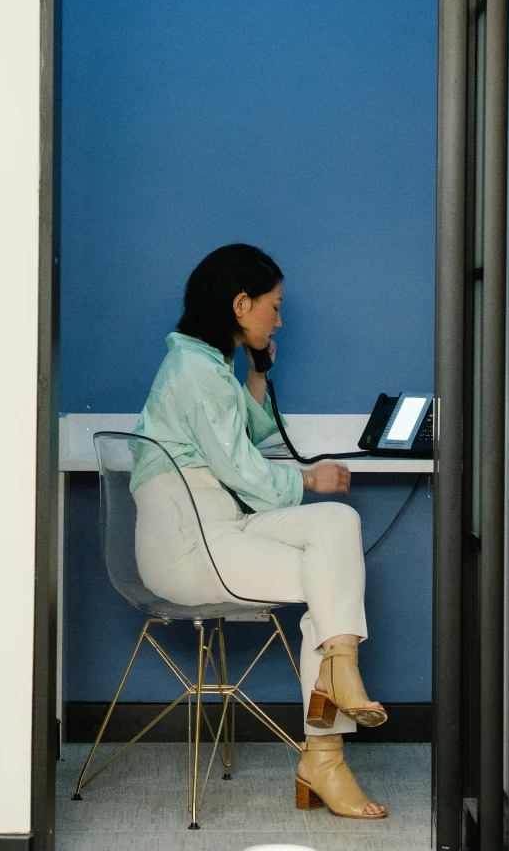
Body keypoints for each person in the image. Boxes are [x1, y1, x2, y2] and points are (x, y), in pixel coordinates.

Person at [131, 244, 387, 820]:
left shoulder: (207, 367)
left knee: (339, 522)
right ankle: (325, 757)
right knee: (329, 581)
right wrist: (310, 478)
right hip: (187, 543)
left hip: (222, 526)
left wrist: (258, 371)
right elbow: (242, 467)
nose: (280, 320)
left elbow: (245, 431)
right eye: (274, 306)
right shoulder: (195, 372)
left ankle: (339, 670)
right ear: (240, 304)